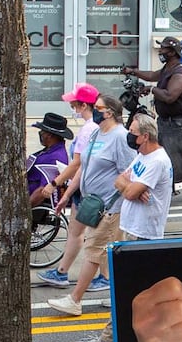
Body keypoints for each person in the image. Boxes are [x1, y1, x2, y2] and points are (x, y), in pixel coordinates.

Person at [75, 116, 173, 342]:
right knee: (137, 290)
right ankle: (151, 339)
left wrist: (130, 187)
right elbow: (120, 181)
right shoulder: (143, 156)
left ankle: (109, 340)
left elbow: (129, 190)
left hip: (144, 233)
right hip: (132, 229)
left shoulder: (157, 161)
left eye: (132, 131)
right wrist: (128, 186)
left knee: (128, 289)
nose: (129, 135)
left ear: (145, 136)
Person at [46, 96, 128, 322]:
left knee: (93, 249)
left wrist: (116, 199)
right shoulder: (96, 133)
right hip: (92, 202)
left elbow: (127, 172)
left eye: (99, 108)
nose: (95, 111)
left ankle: (75, 299)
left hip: (110, 206)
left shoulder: (119, 137)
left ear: (110, 112)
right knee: (105, 252)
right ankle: (118, 294)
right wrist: (69, 194)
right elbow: (84, 165)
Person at [39, 84, 101, 289]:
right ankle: (64, 272)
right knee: (89, 233)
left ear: (83, 105)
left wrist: (55, 183)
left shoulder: (87, 130)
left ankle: (63, 272)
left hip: (84, 188)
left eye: (74, 104)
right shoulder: (95, 127)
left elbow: (77, 164)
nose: (72, 108)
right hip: (88, 186)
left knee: (84, 233)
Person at [124, 37, 182, 186]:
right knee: (165, 158)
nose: (160, 51)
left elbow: (170, 96)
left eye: (163, 49)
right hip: (166, 122)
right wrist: (133, 72)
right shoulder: (168, 69)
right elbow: (153, 75)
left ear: (172, 52)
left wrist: (152, 89)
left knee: (179, 161)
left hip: (178, 124)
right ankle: (165, 187)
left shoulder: (181, 74)